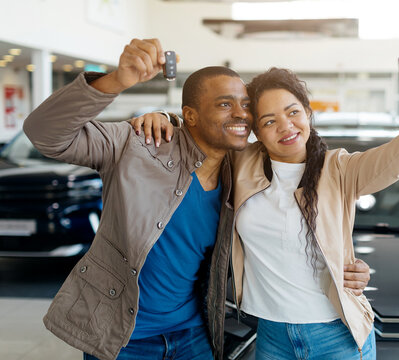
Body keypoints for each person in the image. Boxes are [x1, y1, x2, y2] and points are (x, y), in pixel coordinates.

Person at [23, 38, 370, 360]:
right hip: (122, 336)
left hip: (193, 335)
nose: (241, 114)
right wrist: (118, 80)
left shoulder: (243, 171)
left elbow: (286, 233)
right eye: (224, 104)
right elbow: (45, 134)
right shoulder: (137, 145)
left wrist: (345, 268)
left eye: (245, 105)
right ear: (190, 116)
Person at [135, 57, 399, 359]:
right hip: (272, 337)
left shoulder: (340, 170)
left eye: (293, 112)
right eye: (269, 120)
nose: (286, 127)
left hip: (338, 337)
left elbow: (397, 157)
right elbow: (206, 133)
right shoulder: (240, 163)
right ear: (257, 131)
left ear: (307, 113)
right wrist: (166, 118)